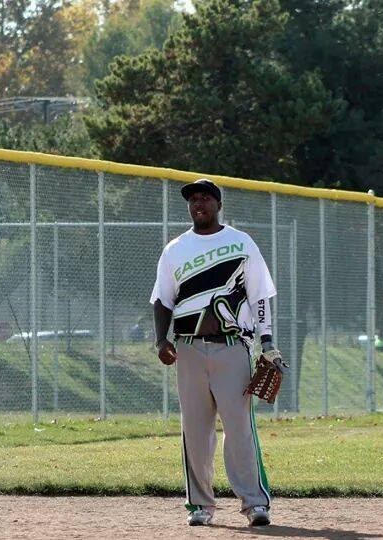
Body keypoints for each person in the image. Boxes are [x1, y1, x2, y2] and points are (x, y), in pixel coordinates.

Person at [150, 178, 279, 528]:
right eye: (193, 198)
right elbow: (163, 299)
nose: (198, 203)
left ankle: (255, 503)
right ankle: (200, 506)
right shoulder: (175, 249)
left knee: (239, 428)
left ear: (218, 204)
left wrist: (267, 342)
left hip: (232, 345)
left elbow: (260, 295)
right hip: (188, 347)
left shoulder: (240, 242)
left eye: (205, 197)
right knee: (195, 430)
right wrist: (161, 340)